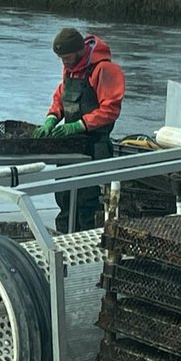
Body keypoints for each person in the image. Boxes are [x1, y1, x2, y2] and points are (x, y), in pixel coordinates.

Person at [32, 27, 126, 232]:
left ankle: (87, 249)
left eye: (66, 57)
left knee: (88, 203)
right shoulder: (70, 69)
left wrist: (79, 125)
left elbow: (110, 109)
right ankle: (63, 243)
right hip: (70, 147)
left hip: (95, 149)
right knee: (64, 198)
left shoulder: (105, 70)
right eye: (61, 59)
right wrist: (51, 118)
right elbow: (61, 97)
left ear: (79, 50)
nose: (63, 62)